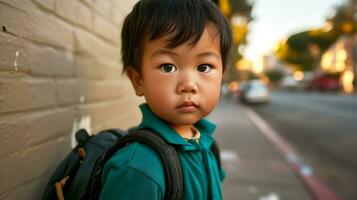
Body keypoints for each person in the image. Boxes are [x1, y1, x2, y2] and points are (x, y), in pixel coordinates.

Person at [99, 0, 232, 199]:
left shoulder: (206, 144)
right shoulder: (138, 168)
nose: (188, 84)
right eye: (168, 67)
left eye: (203, 67)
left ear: (222, 73)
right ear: (138, 80)